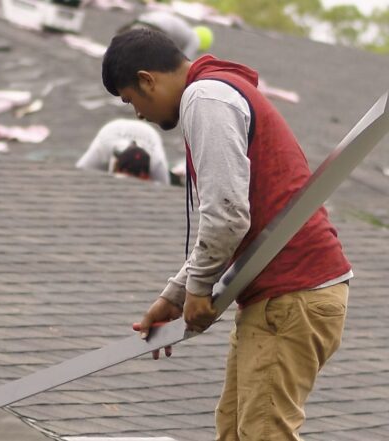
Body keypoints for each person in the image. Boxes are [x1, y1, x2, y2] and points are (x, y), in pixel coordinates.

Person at [102, 28, 352, 440]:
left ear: (147, 79)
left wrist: (198, 289)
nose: (139, 115)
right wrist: (175, 296)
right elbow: (229, 219)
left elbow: (227, 216)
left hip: (291, 294)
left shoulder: (206, 99)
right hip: (285, 295)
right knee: (235, 431)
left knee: (263, 433)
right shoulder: (218, 91)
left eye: (131, 100)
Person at [76, 119, 171, 185]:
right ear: (115, 166)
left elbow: (165, 191)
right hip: (112, 130)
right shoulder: (101, 150)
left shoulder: (157, 163)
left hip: (148, 134)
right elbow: (78, 176)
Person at [119, 10, 213, 60]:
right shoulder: (195, 40)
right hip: (157, 28)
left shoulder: (184, 30)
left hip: (141, 21)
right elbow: (184, 61)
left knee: (124, 50)